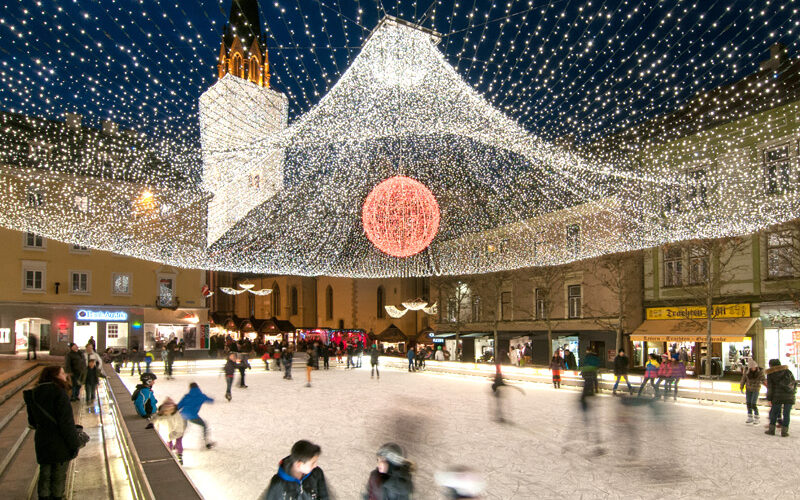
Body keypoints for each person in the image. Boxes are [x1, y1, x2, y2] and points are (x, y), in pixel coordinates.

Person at [24, 366, 82, 500]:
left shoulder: (33, 394)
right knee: (58, 476)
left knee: (45, 473)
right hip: (59, 441)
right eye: (62, 373)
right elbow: (66, 423)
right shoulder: (60, 393)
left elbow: (32, 421)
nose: (65, 375)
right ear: (54, 376)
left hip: (42, 440)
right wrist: (74, 444)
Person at [259, 439, 329, 500]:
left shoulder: (316, 473)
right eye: (312, 463)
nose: (315, 465)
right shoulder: (278, 484)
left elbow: (324, 495)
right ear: (299, 465)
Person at [177, 382, 215, 449]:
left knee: (182, 429)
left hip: (182, 415)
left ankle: (177, 444)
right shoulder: (201, 396)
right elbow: (211, 400)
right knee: (204, 425)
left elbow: (179, 406)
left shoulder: (187, 396)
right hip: (192, 416)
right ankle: (206, 442)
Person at [765, 358, 796, 437]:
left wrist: (769, 398)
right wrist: (793, 392)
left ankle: (771, 430)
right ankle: (784, 432)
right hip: (789, 396)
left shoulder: (771, 374)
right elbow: (794, 383)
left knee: (774, 413)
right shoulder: (787, 371)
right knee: (786, 414)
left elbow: (770, 388)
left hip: (777, 396)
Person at [154, 397, 186, 464]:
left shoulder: (161, 413)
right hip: (175, 431)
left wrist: (155, 429)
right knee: (177, 442)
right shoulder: (175, 412)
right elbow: (180, 422)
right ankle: (178, 456)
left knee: (171, 442)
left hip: (172, 431)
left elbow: (155, 421)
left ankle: (172, 456)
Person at [740, 359, 766, 424]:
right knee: (748, 403)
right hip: (748, 389)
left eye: (754, 367)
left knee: (753, 403)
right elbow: (743, 379)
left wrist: (768, 386)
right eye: (751, 367)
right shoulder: (746, 372)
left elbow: (763, 379)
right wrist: (741, 387)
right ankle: (750, 416)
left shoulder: (760, 372)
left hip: (756, 389)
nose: (753, 368)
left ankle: (757, 417)